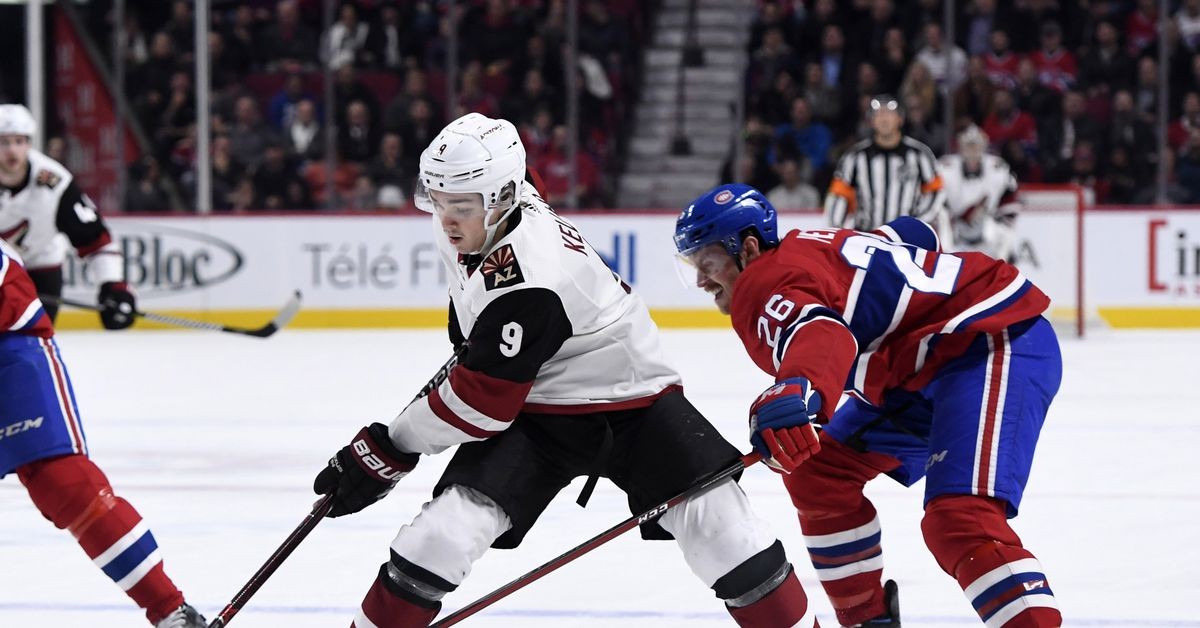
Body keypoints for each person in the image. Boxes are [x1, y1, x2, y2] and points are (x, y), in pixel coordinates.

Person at [311, 113, 818, 628]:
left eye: (460, 206)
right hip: (536, 403)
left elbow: (479, 405)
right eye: (437, 201)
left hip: (633, 401)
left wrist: (392, 446)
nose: (446, 220)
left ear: (504, 197)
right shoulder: (484, 212)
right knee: (437, 538)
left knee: (729, 537)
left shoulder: (534, 277)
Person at [674, 183, 1062, 627]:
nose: (702, 280)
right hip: (921, 370)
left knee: (960, 520)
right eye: (692, 267)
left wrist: (799, 388)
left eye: (707, 263)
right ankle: (867, 622)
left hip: (986, 342)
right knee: (818, 474)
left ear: (746, 247)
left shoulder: (759, 283)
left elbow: (821, 333)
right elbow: (916, 234)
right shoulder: (813, 244)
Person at [0, 239, 204, 627]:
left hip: (9, 348)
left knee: (65, 485)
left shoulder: (48, 181)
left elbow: (90, 234)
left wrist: (112, 284)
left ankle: (170, 611)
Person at [0, 104, 135, 328]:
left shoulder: (56, 183)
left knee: (31, 348)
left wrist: (113, 286)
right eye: (3, 142)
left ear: (30, 143)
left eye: (19, 141)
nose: (12, 151)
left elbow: (95, 238)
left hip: (39, 267)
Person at [824, 94, 948, 242]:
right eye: (878, 114)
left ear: (900, 119)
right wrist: (837, 231)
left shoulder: (920, 154)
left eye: (889, 113)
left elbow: (935, 192)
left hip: (906, 241)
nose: (884, 118)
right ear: (871, 121)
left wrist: (916, 224)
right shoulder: (855, 157)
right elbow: (839, 196)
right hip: (866, 238)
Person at [939, 125, 1021, 262]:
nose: (972, 151)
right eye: (968, 146)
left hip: (987, 232)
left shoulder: (997, 168)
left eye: (976, 146)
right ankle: (944, 260)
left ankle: (1001, 266)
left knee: (1006, 234)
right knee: (940, 221)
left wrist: (999, 222)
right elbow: (934, 199)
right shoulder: (945, 167)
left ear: (984, 146)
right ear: (960, 146)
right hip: (955, 231)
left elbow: (1010, 200)